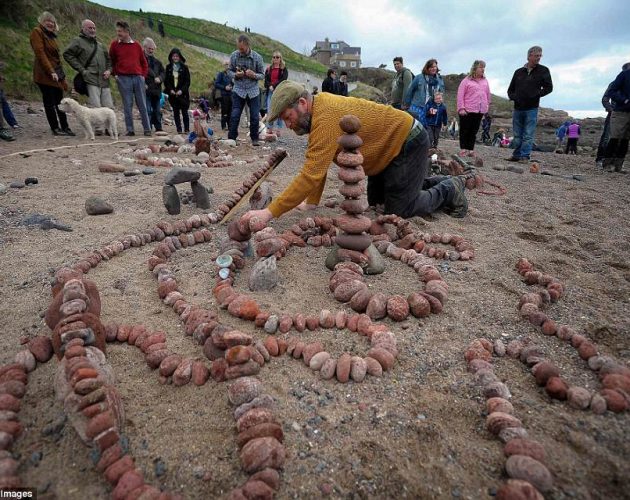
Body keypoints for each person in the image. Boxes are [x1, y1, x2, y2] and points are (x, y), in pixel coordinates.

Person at [240, 80, 471, 229]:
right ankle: (436, 182)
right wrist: (312, 203)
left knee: (400, 210)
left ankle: (449, 189)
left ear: (302, 103)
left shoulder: (326, 117)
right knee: (378, 203)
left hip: (407, 140)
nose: (288, 125)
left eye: (288, 117)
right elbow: (319, 163)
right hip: (385, 152)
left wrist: (269, 213)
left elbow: (310, 174)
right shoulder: (319, 112)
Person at [30, 12, 74, 136]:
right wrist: (51, 71)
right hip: (44, 74)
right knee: (49, 102)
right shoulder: (37, 32)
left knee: (60, 102)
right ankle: (55, 128)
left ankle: (65, 127)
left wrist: (62, 77)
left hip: (56, 73)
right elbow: (40, 53)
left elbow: (57, 59)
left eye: (52, 21)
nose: (50, 23)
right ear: (41, 21)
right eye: (47, 21)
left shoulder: (52, 36)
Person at [506, 46, 553, 162]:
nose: (538, 58)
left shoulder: (544, 70)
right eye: (536, 56)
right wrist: (514, 97)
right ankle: (517, 154)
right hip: (518, 108)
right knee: (517, 135)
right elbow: (510, 90)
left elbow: (549, 87)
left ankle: (524, 156)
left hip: (532, 108)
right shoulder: (518, 72)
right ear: (529, 56)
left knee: (528, 134)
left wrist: (536, 94)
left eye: (540, 56)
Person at [109, 20, 151, 136]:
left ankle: (147, 129)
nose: (118, 33)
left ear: (127, 31)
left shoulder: (137, 45)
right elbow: (111, 61)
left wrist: (143, 76)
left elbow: (144, 63)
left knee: (142, 104)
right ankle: (130, 130)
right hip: (123, 78)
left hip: (138, 77)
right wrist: (115, 75)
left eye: (121, 31)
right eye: (117, 31)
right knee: (127, 105)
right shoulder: (114, 45)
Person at [63, 19, 113, 110]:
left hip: (104, 81)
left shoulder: (100, 45)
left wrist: (109, 70)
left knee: (109, 110)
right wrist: (82, 70)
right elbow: (67, 54)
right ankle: (96, 125)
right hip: (90, 80)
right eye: (90, 28)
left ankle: (107, 125)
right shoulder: (78, 41)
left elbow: (109, 61)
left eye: (94, 28)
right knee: (96, 110)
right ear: (83, 29)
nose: (93, 30)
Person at [227, 34, 264, 146]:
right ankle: (232, 138)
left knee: (254, 115)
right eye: (239, 48)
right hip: (238, 89)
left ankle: (254, 138)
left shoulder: (258, 57)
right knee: (235, 114)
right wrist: (235, 75)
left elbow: (262, 75)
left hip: (253, 90)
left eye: (242, 48)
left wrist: (253, 75)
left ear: (248, 45)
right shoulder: (234, 56)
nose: (240, 50)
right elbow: (229, 71)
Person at [596, 62, 630, 168]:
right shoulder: (616, 82)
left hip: (624, 112)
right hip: (616, 113)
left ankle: (617, 163)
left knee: (624, 138)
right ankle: (601, 159)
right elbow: (605, 98)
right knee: (608, 136)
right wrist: (611, 109)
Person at [456, 60, 491, 156]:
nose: (483, 69)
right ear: (475, 68)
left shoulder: (485, 81)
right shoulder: (466, 80)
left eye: (484, 67)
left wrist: (487, 106)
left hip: (480, 110)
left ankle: (470, 149)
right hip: (467, 109)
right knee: (464, 130)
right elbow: (460, 95)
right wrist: (461, 108)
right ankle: (463, 149)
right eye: (481, 67)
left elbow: (487, 94)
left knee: (474, 130)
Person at [403, 59, 445, 123]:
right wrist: (406, 104)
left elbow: (441, 94)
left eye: (435, 67)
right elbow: (410, 91)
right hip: (417, 107)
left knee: (427, 130)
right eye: (431, 67)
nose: (433, 68)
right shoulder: (419, 77)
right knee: (415, 128)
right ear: (427, 68)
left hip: (431, 109)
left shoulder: (439, 80)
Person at [164, 48, 191, 134]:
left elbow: (187, 81)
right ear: (171, 57)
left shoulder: (184, 67)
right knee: (176, 112)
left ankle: (186, 129)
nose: (175, 58)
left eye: (177, 56)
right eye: (173, 56)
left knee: (184, 112)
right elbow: (166, 81)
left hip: (183, 94)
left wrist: (181, 90)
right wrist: (170, 90)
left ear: (179, 57)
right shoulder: (168, 68)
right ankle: (179, 129)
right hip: (173, 94)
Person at [264, 50, 288, 136]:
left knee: (279, 109)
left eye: (277, 57)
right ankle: (269, 127)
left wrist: (274, 85)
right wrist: (270, 86)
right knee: (270, 109)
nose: (275, 59)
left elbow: (283, 79)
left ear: (280, 59)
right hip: (270, 92)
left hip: (279, 91)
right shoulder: (268, 69)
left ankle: (278, 128)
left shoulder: (283, 69)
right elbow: (265, 80)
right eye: (274, 57)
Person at [143, 37, 165, 132]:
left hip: (156, 90)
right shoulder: (140, 60)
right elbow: (138, 73)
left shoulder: (158, 62)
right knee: (147, 110)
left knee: (157, 110)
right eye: (149, 48)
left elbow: (163, 73)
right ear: (144, 47)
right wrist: (142, 83)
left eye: (152, 48)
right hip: (146, 89)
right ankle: (148, 128)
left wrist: (160, 78)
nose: (151, 50)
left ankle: (158, 127)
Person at [215, 61, 233, 131]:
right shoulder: (221, 74)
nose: (227, 66)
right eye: (226, 65)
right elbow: (216, 83)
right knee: (224, 110)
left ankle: (229, 125)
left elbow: (233, 83)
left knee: (230, 111)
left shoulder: (231, 75)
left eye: (228, 65)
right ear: (224, 66)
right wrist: (224, 87)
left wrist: (231, 86)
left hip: (230, 94)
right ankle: (223, 126)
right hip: (223, 95)